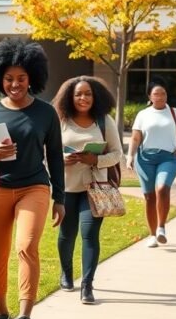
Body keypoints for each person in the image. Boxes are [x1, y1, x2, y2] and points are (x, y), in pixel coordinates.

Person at [0, 38, 64, 319]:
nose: (15, 84)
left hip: (34, 186)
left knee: (26, 245)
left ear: (32, 78)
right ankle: (2, 313)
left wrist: (61, 198)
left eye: (22, 78)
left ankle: (26, 317)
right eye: (9, 78)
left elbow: (54, 155)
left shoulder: (45, 113)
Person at [52, 76, 123, 305]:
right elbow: (46, 152)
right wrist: (62, 158)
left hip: (95, 189)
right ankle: (66, 272)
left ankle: (87, 285)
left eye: (88, 94)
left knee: (90, 235)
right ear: (69, 98)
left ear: (96, 97)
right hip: (65, 189)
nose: (83, 98)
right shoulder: (60, 121)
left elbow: (117, 154)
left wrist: (96, 159)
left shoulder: (104, 121)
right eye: (78, 94)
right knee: (66, 235)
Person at [127, 79, 176, 248]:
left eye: (163, 93)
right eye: (156, 94)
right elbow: (136, 137)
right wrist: (130, 156)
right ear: (149, 96)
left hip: (168, 158)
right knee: (149, 197)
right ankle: (152, 235)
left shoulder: (174, 112)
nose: (160, 97)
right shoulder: (143, 114)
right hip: (145, 159)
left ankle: (161, 227)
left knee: (162, 189)